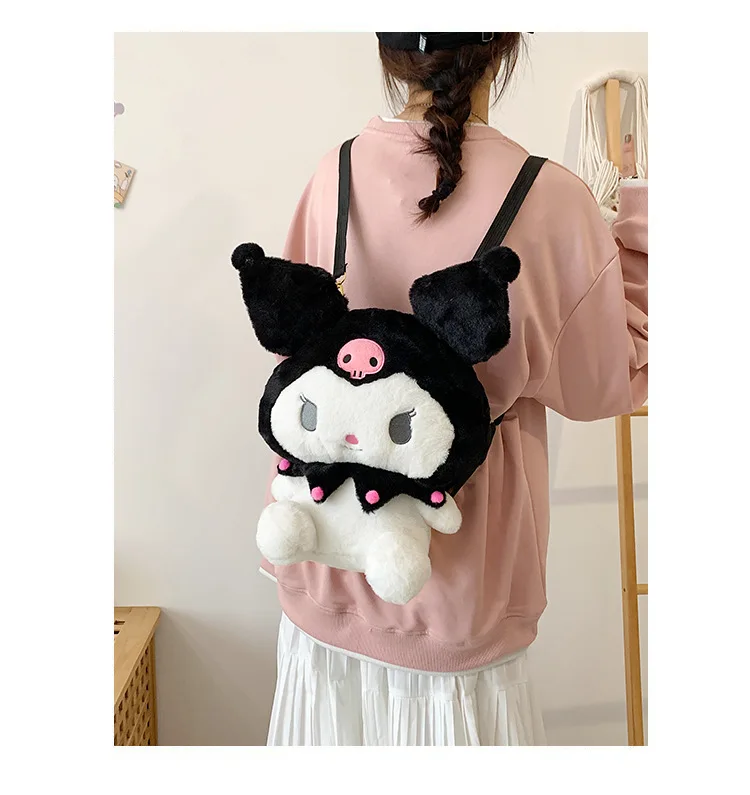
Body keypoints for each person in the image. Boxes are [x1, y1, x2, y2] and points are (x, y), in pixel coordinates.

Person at [259, 32, 648, 746]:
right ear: (505, 46)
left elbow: (295, 354)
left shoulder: (334, 174)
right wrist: (641, 232)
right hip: (462, 605)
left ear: (385, 50)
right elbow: (607, 383)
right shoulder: (549, 197)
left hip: (322, 575)